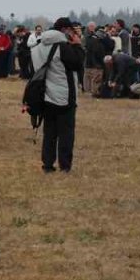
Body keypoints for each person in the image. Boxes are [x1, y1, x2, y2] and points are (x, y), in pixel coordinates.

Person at [30, 18, 86, 173]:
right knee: (66, 133)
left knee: (49, 133)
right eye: (71, 30)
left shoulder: (39, 45)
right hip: (64, 95)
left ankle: (47, 164)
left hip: (45, 94)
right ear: (65, 30)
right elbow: (78, 63)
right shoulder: (62, 47)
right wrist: (78, 45)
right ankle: (65, 165)